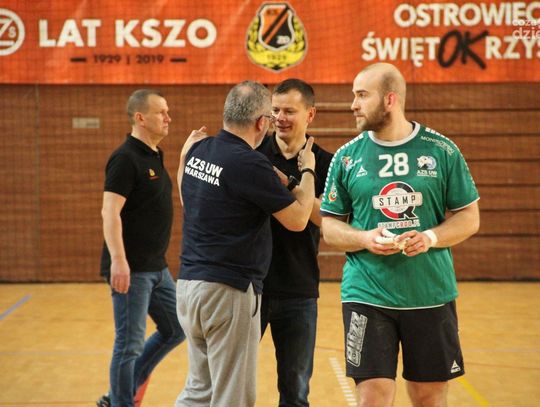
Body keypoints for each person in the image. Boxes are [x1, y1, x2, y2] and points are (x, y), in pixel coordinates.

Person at [320, 63, 480, 407]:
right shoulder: (347, 158)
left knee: (428, 397)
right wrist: (365, 239)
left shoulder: (441, 151)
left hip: (430, 293)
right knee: (372, 396)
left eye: (362, 95)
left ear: (390, 99)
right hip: (366, 292)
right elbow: (329, 226)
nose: (353, 104)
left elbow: (469, 217)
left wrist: (430, 238)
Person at [175, 80, 317, 407]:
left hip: (188, 286)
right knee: (233, 396)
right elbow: (298, 220)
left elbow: (187, 198)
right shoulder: (249, 163)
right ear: (260, 122)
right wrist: (308, 170)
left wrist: (183, 157)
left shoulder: (199, 150)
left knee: (199, 391)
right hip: (227, 291)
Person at [98, 89, 186, 407]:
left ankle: (122, 391)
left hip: (157, 268)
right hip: (132, 270)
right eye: (161, 112)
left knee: (177, 328)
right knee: (129, 344)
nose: (168, 118)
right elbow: (110, 211)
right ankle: (120, 402)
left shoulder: (154, 154)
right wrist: (118, 260)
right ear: (140, 118)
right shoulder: (125, 158)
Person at [256, 78, 333, 406]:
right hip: (252, 287)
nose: (280, 117)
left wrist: (292, 182)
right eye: (275, 110)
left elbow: (328, 221)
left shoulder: (326, 163)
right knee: (232, 379)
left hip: (299, 289)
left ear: (310, 114)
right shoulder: (254, 154)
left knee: (296, 390)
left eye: (289, 111)